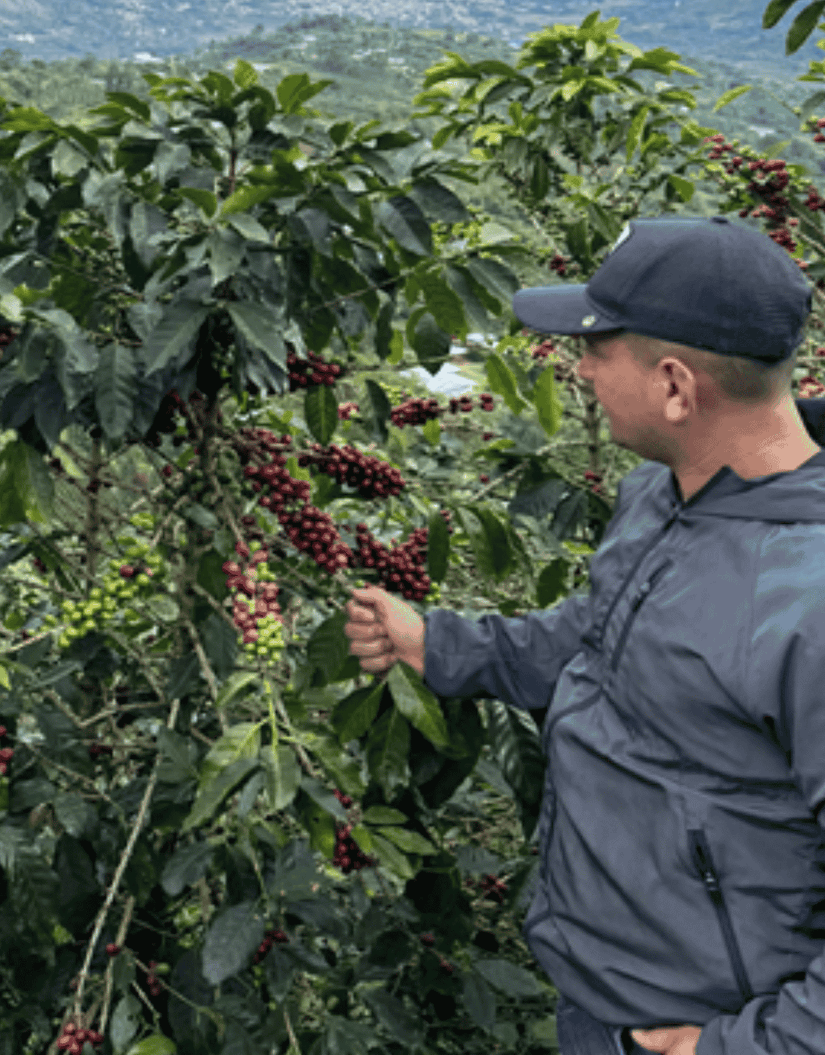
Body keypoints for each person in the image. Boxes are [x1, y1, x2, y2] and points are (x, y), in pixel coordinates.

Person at [344, 215, 825, 1055]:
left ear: (675, 386)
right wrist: (442, 644)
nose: (580, 367)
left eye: (598, 348)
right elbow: (597, 641)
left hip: (703, 1028)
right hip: (602, 999)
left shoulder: (805, 601)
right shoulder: (661, 490)